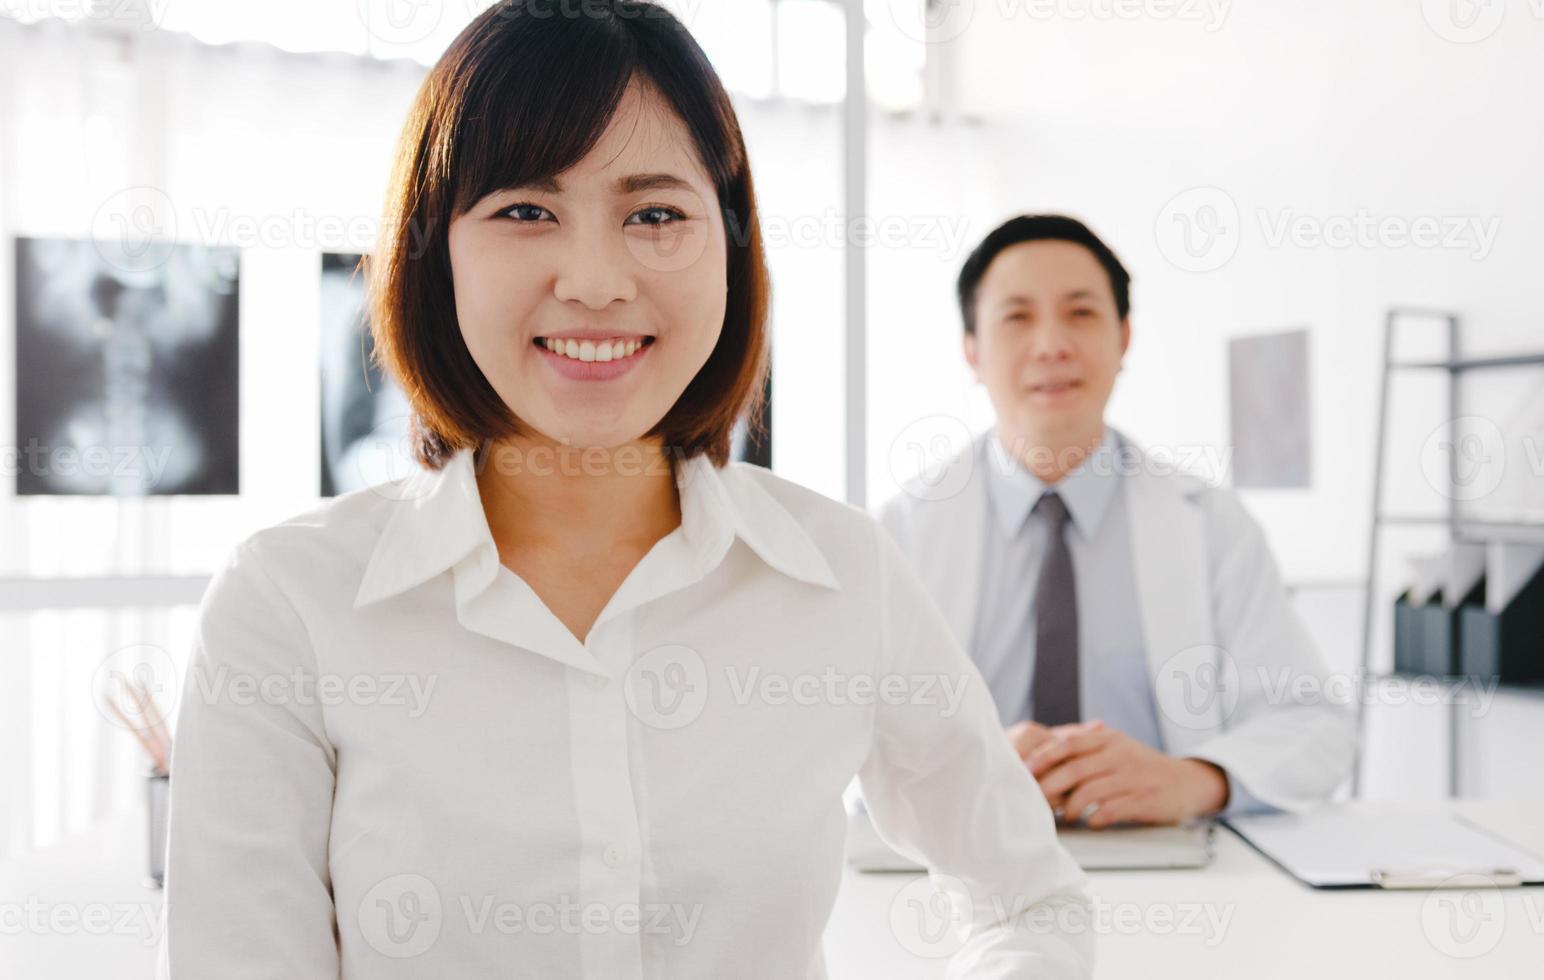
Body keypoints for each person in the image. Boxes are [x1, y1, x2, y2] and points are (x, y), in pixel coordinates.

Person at [158, 9, 1091, 978]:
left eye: (655, 214)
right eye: (525, 210)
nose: (597, 282)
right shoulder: (287, 601)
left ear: (728, 245)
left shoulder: (841, 573)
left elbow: (1028, 899)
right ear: (436, 253)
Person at [878, 215, 1356, 829]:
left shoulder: (1212, 526)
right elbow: (843, 740)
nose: (1052, 344)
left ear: (1124, 339)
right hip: (966, 864)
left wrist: (1194, 779)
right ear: (972, 350)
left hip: (1169, 862)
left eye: (1081, 313)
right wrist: (961, 765)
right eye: (1017, 317)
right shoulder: (902, 531)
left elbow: (1314, 727)